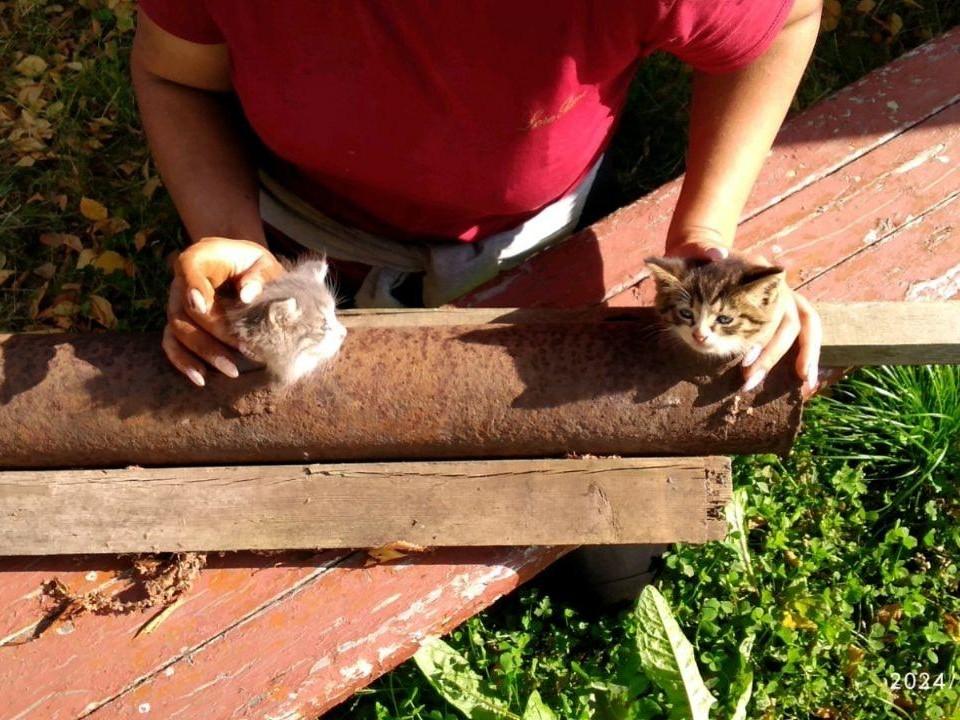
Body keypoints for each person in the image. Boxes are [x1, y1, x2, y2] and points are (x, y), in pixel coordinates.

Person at [132, 0, 823, 604]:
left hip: (529, 243)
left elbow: (785, 17)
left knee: (611, 575)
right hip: (292, 236)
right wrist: (230, 239)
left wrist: (707, 246)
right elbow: (173, 75)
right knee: (267, 547)